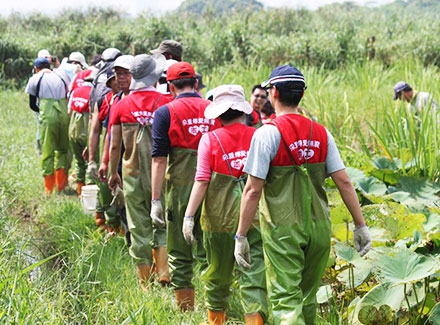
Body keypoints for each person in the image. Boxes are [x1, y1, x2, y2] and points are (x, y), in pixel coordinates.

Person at [234, 65, 372, 324]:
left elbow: (252, 190)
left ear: (273, 92)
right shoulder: (322, 133)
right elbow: (343, 181)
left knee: (286, 301)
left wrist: (241, 235)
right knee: (307, 297)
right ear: (302, 95)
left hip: (283, 230)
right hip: (319, 228)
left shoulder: (266, 135)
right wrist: (360, 225)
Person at [183, 84, 268, 324]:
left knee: (217, 275)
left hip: (218, 220)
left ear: (218, 114)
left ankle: (216, 319)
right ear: (243, 111)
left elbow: (201, 181)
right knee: (254, 276)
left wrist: (189, 217)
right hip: (253, 219)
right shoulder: (257, 136)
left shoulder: (209, 140)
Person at [151, 61, 221, 311]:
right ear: (195, 83)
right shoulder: (214, 109)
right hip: (215, 187)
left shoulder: (165, 112)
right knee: (210, 247)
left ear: (170, 86)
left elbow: (159, 159)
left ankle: (185, 309)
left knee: (180, 249)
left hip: (180, 189)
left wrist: (156, 200)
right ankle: (215, 307)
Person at [108, 54, 172, 290]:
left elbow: (115, 144)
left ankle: (145, 282)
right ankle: (164, 271)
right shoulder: (167, 101)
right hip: (161, 173)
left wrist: (113, 172)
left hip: (131, 173)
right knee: (161, 220)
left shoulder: (121, 105)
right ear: (155, 76)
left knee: (138, 226)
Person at [89, 55, 134, 237]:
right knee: (115, 196)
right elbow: (108, 137)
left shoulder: (137, 99)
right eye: (117, 75)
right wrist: (103, 161)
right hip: (118, 157)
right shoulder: (110, 101)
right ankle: (117, 231)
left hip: (135, 159)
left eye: (124, 74)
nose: (119, 80)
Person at [25, 57, 70, 195]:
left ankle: (49, 188)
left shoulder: (35, 78)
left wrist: (45, 111)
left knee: (47, 150)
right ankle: (61, 186)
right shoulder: (62, 75)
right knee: (63, 150)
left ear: (36, 68)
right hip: (64, 114)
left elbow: (32, 104)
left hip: (48, 115)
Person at [67, 51, 93, 196]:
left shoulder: (76, 91)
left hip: (72, 131)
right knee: (90, 162)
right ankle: (89, 194)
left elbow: (69, 111)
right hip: (85, 132)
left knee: (78, 162)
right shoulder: (93, 93)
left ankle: (79, 191)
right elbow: (92, 115)